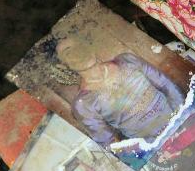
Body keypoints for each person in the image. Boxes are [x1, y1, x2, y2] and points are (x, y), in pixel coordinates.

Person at [54, 38, 186, 146]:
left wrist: (182, 116)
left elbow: (166, 85)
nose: (77, 52)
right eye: (68, 52)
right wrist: (154, 145)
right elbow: (109, 143)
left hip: (183, 119)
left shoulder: (127, 60)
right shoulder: (83, 104)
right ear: (64, 65)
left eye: (78, 46)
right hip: (157, 144)